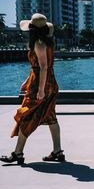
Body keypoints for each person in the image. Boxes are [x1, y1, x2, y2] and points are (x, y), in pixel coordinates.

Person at [0, 13, 65, 165]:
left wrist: (40, 90)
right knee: (50, 117)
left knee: (26, 116)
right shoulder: (47, 42)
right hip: (49, 83)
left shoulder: (39, 44)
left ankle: (17, 153)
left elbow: (42, 67)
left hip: (41, 85)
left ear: (32, 30)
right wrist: (26, 81)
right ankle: (57, 151)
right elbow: (38, 68)